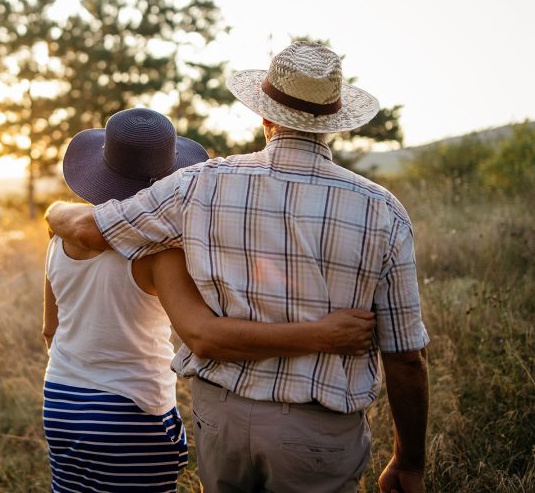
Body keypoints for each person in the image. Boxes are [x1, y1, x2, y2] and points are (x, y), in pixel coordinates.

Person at [46, 42, 430, 493]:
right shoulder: (382, 210)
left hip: (219, 419)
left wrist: (53, 212)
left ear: (265, 116)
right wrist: (408, 460)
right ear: (332, 126)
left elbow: (91, 232)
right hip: (317, 429)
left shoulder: (200, 185)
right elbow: (406, 358)